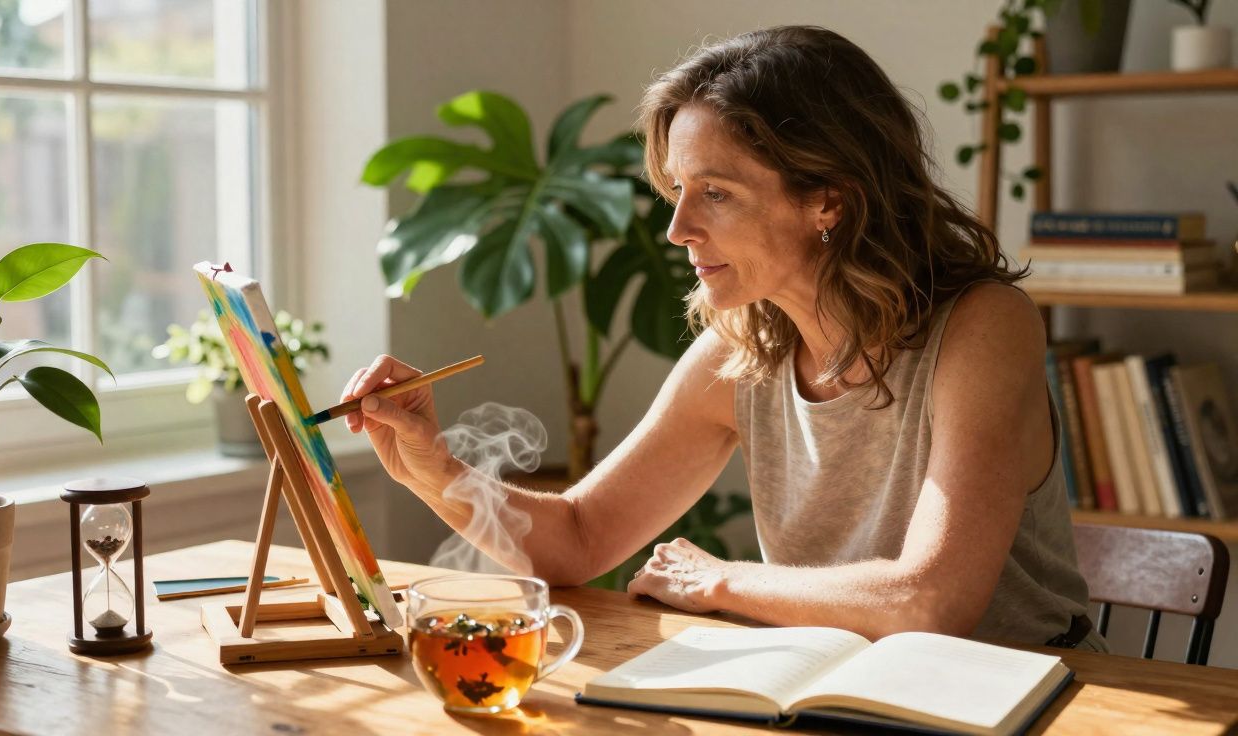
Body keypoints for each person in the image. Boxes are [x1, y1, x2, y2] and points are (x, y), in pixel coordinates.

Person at [342, 25, 1106, 651]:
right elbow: (578, 539)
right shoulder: (743, 352)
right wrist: (431, 467)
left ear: (827, 201)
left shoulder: (981, 326)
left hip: (1026, 703)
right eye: (678, 191)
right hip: (836, 693)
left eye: (716, 193)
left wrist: (719, 582)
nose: (678, 229)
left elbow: (932, 601)